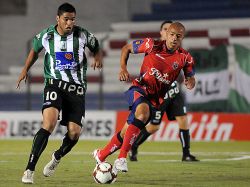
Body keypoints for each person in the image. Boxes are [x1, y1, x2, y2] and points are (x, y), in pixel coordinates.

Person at [93, 22, 196, 173]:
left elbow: (190, 75)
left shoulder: (185, 57)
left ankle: (101, 154)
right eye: (172, 34)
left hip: (156, 99)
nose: (174, 38)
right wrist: (123, 68)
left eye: (178, 36)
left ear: (182, 38)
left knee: (125, 132)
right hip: (139, 88)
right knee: (142, 112)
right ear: (166, 34)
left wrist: (190, 81)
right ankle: (121, 158)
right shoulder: (151, 45)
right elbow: (126, 48)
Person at [16, 3, 102, 184]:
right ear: (58, 19)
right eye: (66, 19)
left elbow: (96, 46)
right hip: (54, 85)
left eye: (72, 19)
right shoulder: (46, 35)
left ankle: (57, 157)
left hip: (76, 89)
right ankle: (29, 170)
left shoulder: (83, 34)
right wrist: (25, 70)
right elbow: (34, 51)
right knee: (49, 124)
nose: (70, 23)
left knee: (74, 133)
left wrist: (98, 57)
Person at [129, 20, 199, 162]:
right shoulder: (154, 47)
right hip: (158, 94)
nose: (173, 36)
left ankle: (186, 153)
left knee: (183, 119)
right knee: (154, 126)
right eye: (168, 31)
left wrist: (190, 78)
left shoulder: (180, 52)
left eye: (177, 34)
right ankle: (134, 145)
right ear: (163, 33)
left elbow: (187, 70)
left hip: (174, 91)